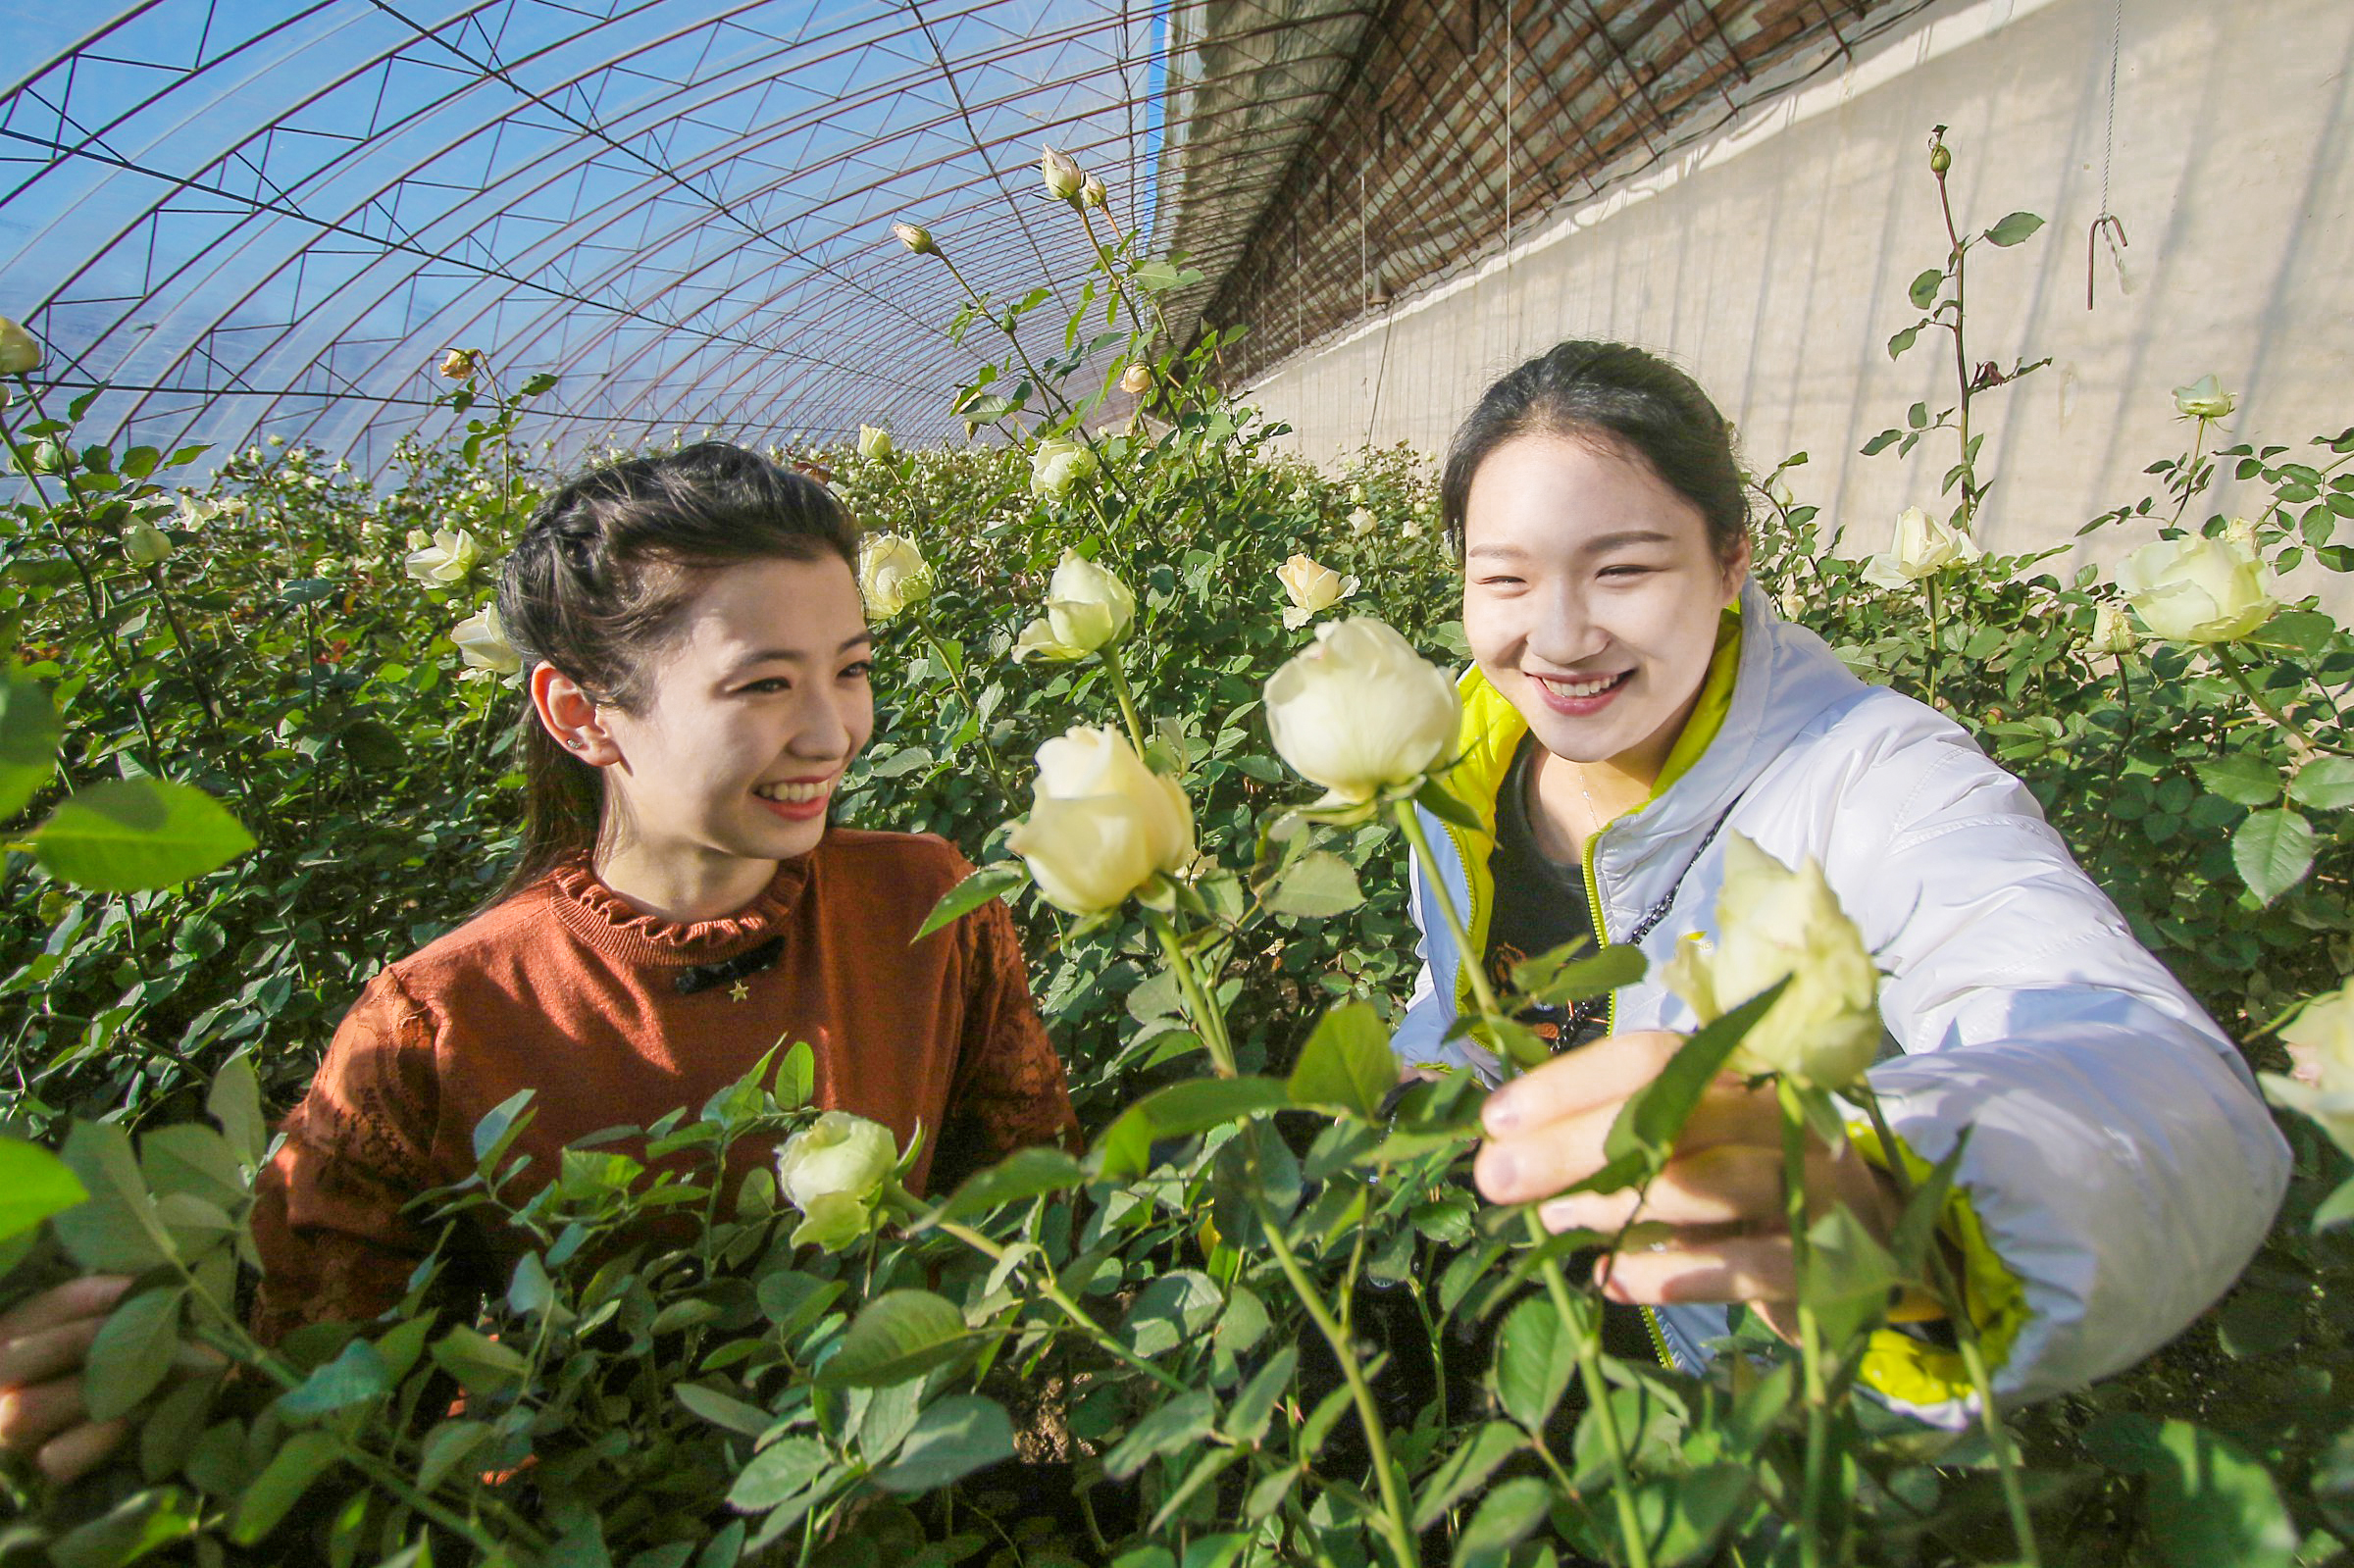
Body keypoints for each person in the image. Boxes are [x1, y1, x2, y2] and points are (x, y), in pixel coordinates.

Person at [0, 442, 1079, 1479]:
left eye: (850, 670)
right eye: (763, 686)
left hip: (933, 1483)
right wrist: (179, 1382)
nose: (831, 732)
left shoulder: (928, 901)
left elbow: (1035, 1203)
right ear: (581, 714)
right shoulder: (438, 1023)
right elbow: (328, 1379)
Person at [1391, 340, 2287, 1424]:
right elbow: (1459, 981)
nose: (1563, 637)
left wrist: (1892, 1196)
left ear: (1731, 562)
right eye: (1506, 578)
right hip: (1535, 1367)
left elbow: (2164, 1086)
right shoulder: (1460, 764)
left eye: (1623, 569)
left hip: (1773, 1435)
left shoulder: (1871, 778)